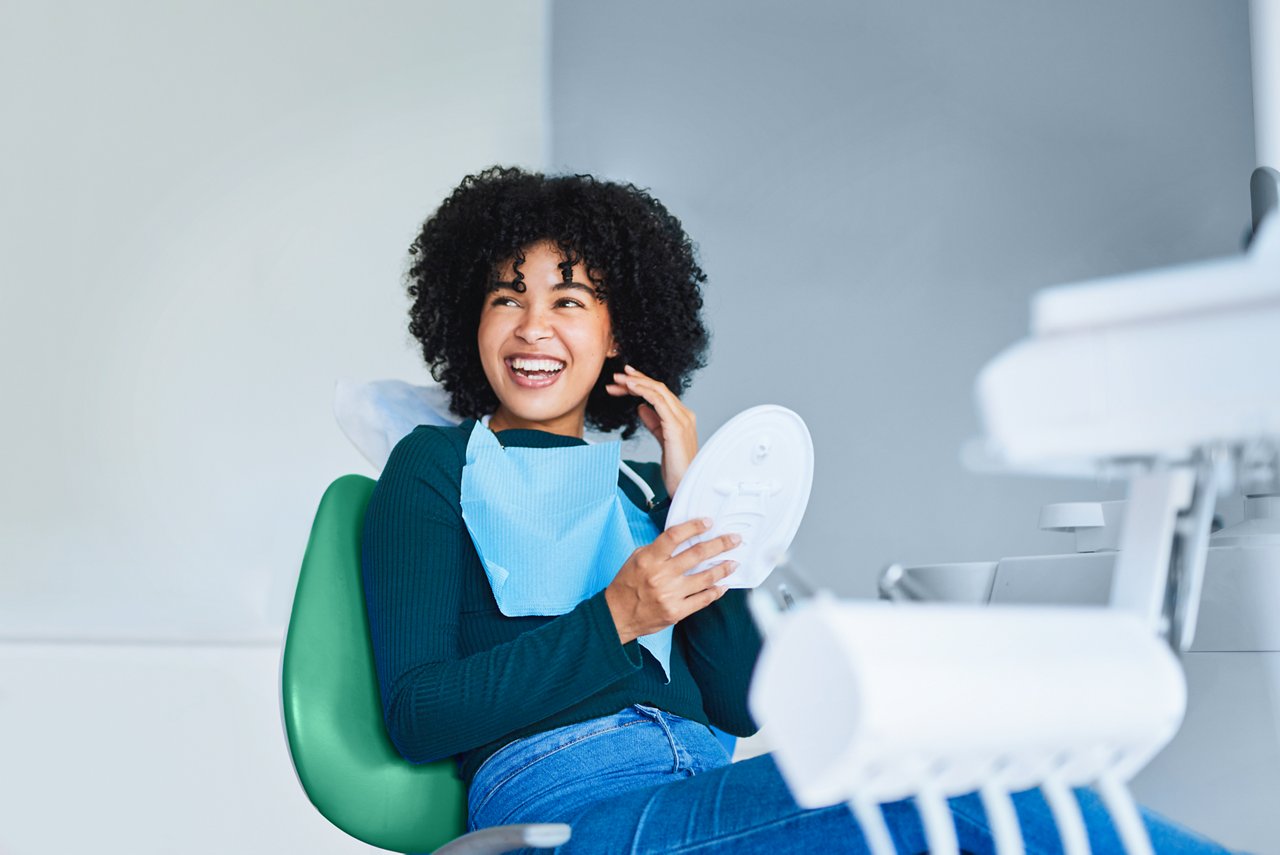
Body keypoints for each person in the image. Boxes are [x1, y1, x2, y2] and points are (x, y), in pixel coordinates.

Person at [360, 166, 1232, 853]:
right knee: (947, 795)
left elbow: (739, 702)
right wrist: (617, 615)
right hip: (570, 808)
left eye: (568, 301)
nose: (531, 326)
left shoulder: (637, 492)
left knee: (968, 779)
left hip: (699, 789)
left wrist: (692, 502)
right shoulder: (434, 468)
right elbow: (418, 713)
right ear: (469, 321)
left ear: (617, 333)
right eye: (505, 297)